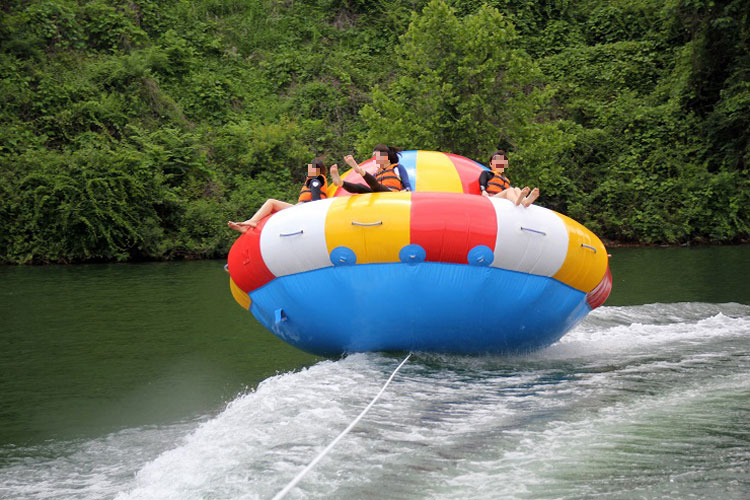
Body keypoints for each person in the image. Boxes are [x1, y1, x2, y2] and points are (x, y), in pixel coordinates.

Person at [228, 159, 330, 232]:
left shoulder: (316, 180)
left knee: (271, 203)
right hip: (302, 207)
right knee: (271, 209)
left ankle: (252, 222)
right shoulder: (316, 180)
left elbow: (316, 200)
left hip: (305, 209)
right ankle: (248, 228)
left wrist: (315, 215)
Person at [330, 144, 409, 193]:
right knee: (361, 187)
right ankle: (341, 182)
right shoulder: (377, 172)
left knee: (377, 186)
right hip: (377, 193)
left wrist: (406, 191)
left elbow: (407, 184)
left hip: (391, 193)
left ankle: (359, 170)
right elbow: (372, 185)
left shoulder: (397, 168)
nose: (375, 159)